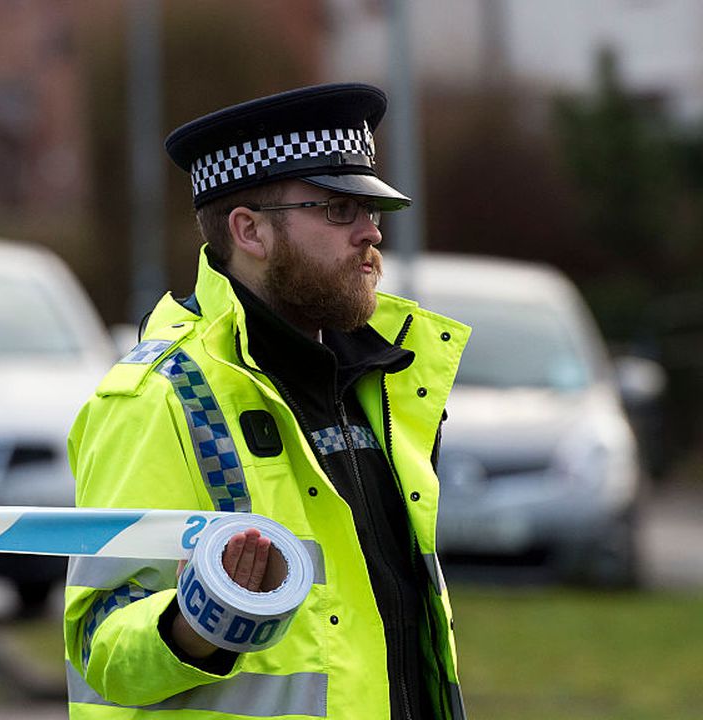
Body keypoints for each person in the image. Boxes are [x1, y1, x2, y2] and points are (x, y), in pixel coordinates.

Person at [63, 83, 470, 719]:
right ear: (250, 231)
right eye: (339, 210)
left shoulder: (382, 380)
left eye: (371, 211)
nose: (370, 232)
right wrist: (196, 624)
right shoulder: (156, 398)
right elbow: (99, 648)